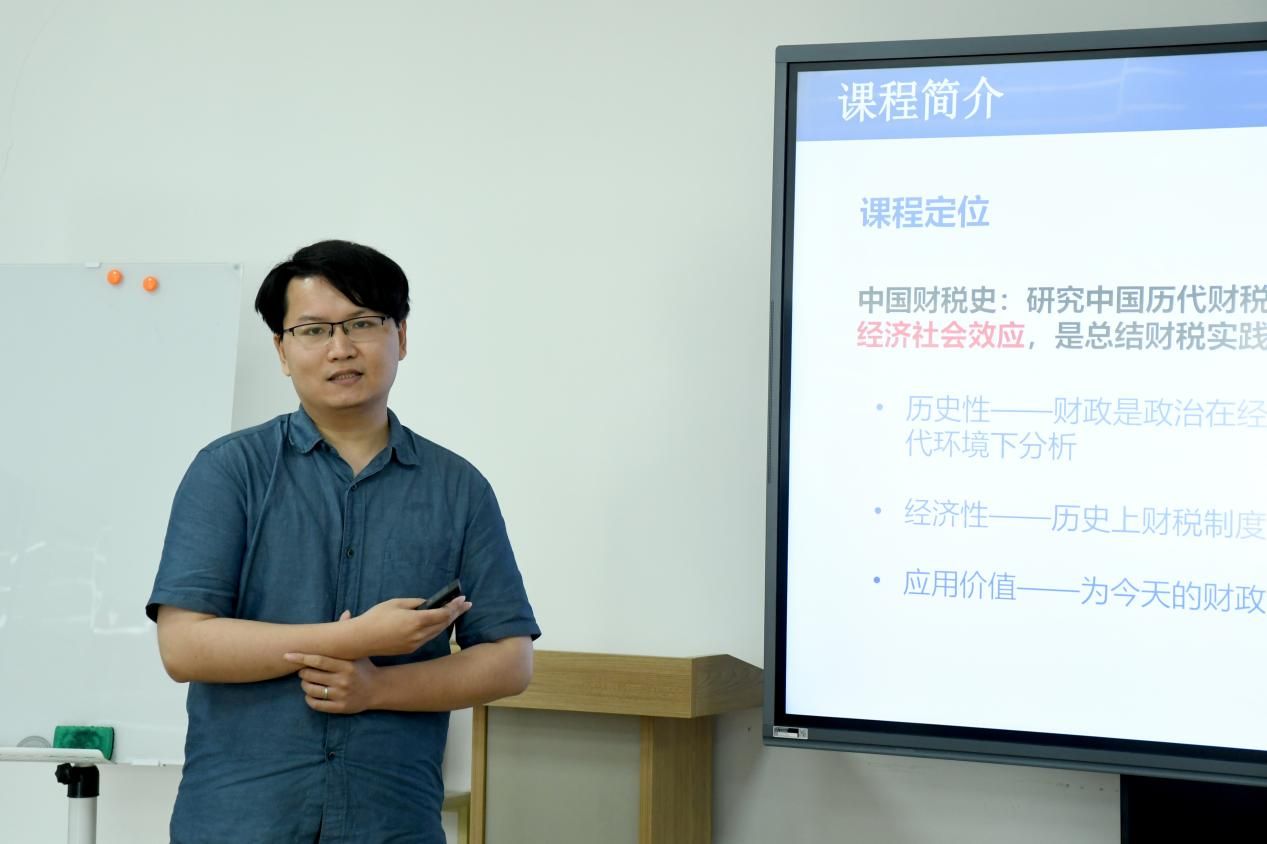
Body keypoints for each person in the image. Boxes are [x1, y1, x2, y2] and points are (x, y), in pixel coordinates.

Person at [147, 240, 540, 843]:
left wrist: (379, 687)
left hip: (391, 822)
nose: (340, 348)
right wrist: (354, 639)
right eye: (313, 330)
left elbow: (510, 660)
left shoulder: (458, 488)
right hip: (239, 821)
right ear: (282, 350)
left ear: (400, 336)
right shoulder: (229, 471)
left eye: (362, 323)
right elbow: (184, 646)